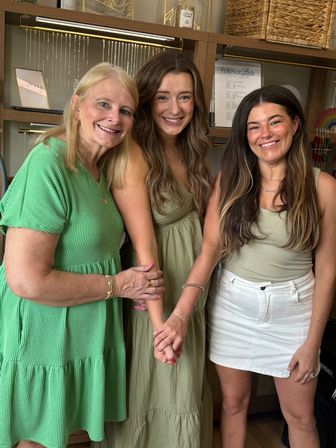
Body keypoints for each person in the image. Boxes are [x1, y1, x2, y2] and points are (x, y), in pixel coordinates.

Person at [154, 85, 336, 448]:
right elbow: (209, 250)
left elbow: (328, 269)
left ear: (295, 124)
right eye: (254, 126)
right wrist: (180, 315)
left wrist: (313, 343)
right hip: (233, 306)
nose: (264, 134)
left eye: (274, 122)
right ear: (244, 134)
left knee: (300, 416)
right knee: (234, 405)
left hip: (294, 313)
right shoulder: (231, 180)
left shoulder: (324, 187)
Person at [0, 62, 164, 448]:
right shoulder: (48, 164)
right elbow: (26, 280)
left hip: (85, 330)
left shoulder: (101, 167)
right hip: (44, 333)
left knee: (71, 437)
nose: (114, 118)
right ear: (77, 105)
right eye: (103, 104)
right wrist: (118, 285)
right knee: (37, 441)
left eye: (125, 111)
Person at [94, 52, 214, 447]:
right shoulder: (133, 153)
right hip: (156, 303)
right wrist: (162, 326)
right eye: (163, 97)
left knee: (185, 394)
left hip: (190, 295)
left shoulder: (191, 152)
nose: (174, 108)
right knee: (156, 396)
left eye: (184, 97)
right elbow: (145, 252)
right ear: (147, 100)